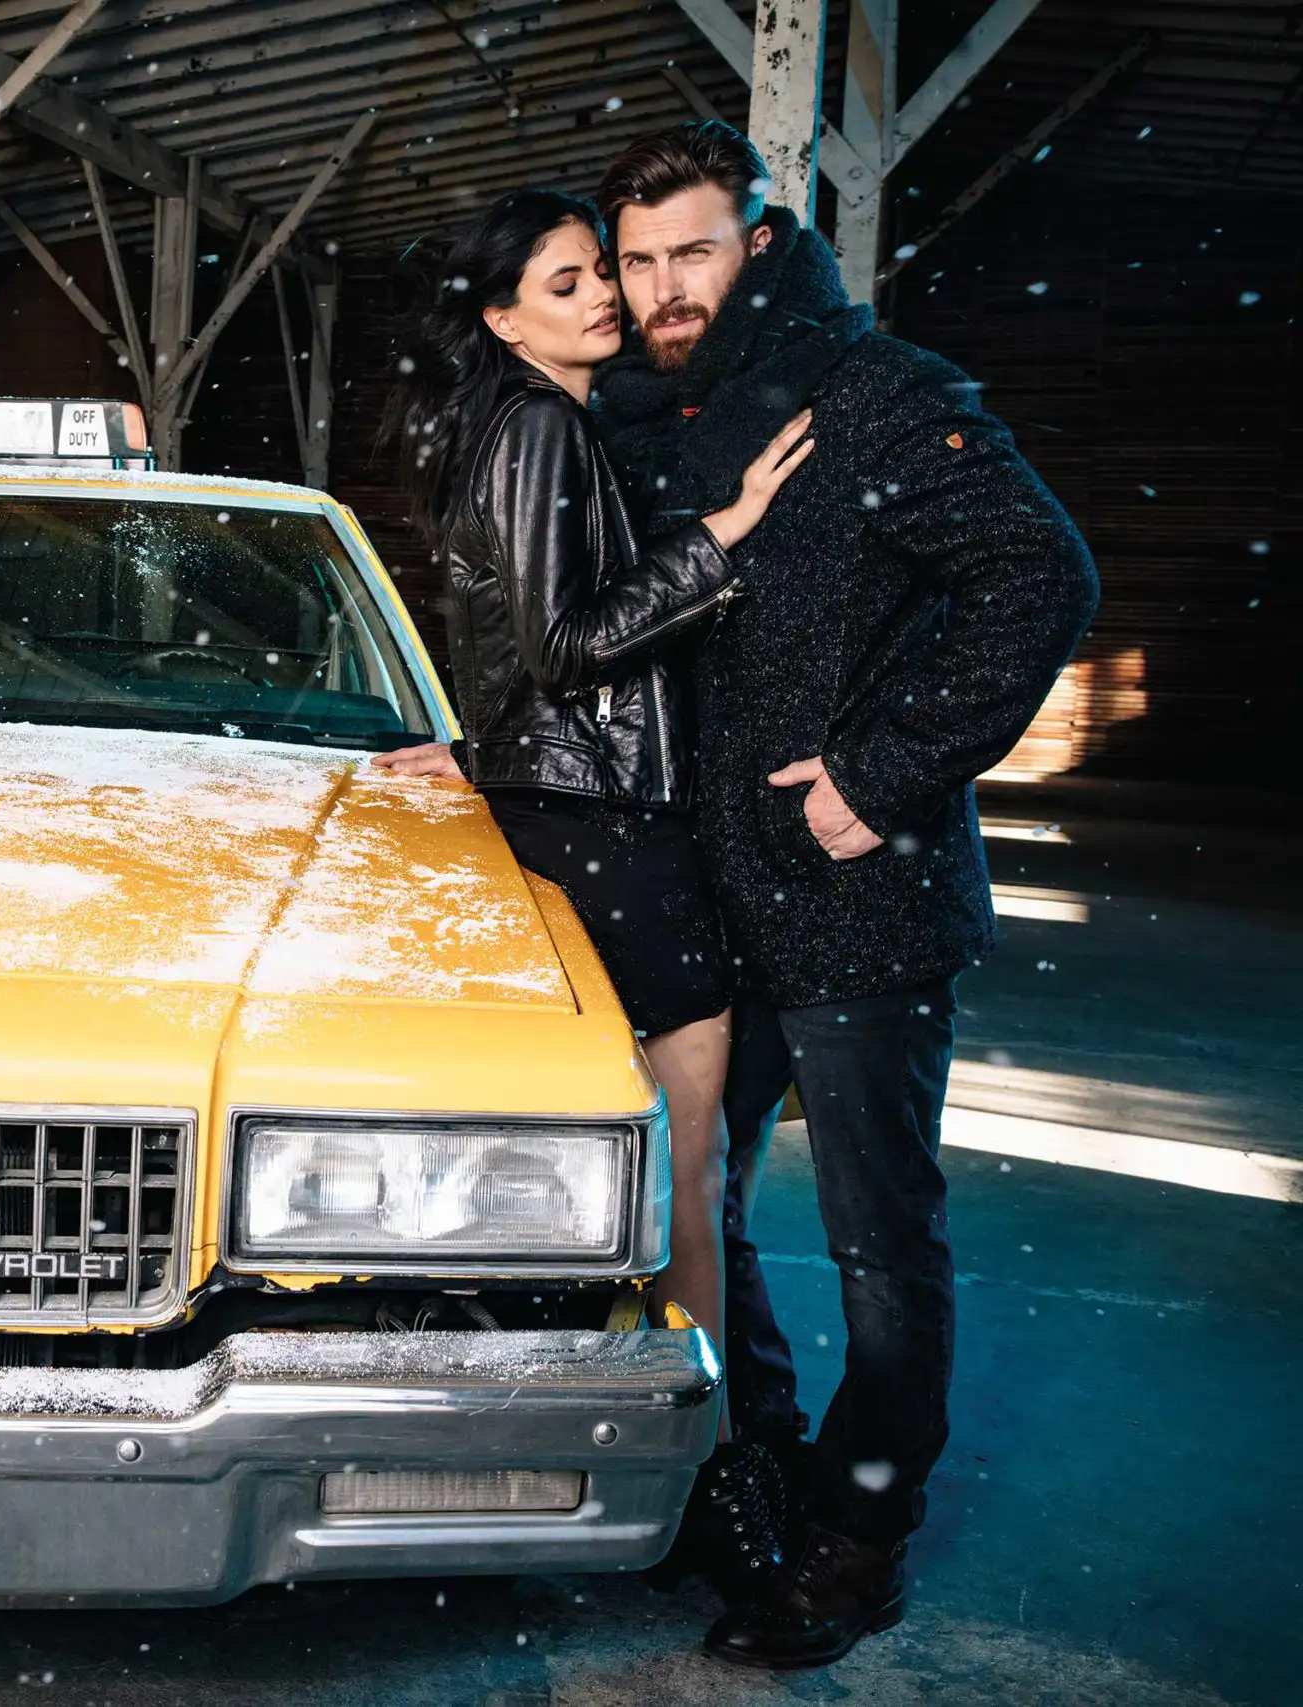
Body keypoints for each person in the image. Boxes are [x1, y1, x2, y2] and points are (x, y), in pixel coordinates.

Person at [592, 121, 1097, 1668]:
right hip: (705, 897)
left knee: (882, 1237)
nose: (666, 285)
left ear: (758, 239)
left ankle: (858, 1533)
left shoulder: (873, 391)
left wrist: (876, 776)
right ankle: (757, 1467)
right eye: (638, 259)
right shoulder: (631, 413)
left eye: (694, 248)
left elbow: (1040, 574)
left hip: (856, 892)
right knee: (692, 1205)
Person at [369, 188, 814, 1599]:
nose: (604, 299)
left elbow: (505, 647)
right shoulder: (545, 427)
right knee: (687, 1166)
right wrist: (726, 535)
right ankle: (712, 1473)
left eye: (598, 276)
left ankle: (656, 1446)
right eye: (569, 284)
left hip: (568, 808)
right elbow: (568, 645)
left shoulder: (515, 422)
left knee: (645, 1161)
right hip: (614, 817)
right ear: (504, 316)